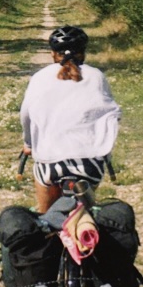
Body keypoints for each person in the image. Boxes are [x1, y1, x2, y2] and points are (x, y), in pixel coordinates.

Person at [20, 25, 121, 214]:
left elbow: (26, 114)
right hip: (90, 163)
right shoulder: (97, 76)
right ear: (83, 53)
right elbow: (111, 113)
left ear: (53, 54)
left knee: (45, 218)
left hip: (50, 162)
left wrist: (29, 144)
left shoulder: (39, 77)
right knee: (84, 215)